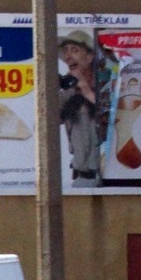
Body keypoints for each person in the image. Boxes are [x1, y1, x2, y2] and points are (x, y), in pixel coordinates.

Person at [58, 30, 101, 187]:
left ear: (89, 57)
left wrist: (85, 88)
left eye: (75, 50)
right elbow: (44, 122)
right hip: (83, 178)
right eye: (66, 51)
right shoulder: (68, 93)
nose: (68, 56)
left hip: (111, 176)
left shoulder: (106, 84)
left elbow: (111, 115)